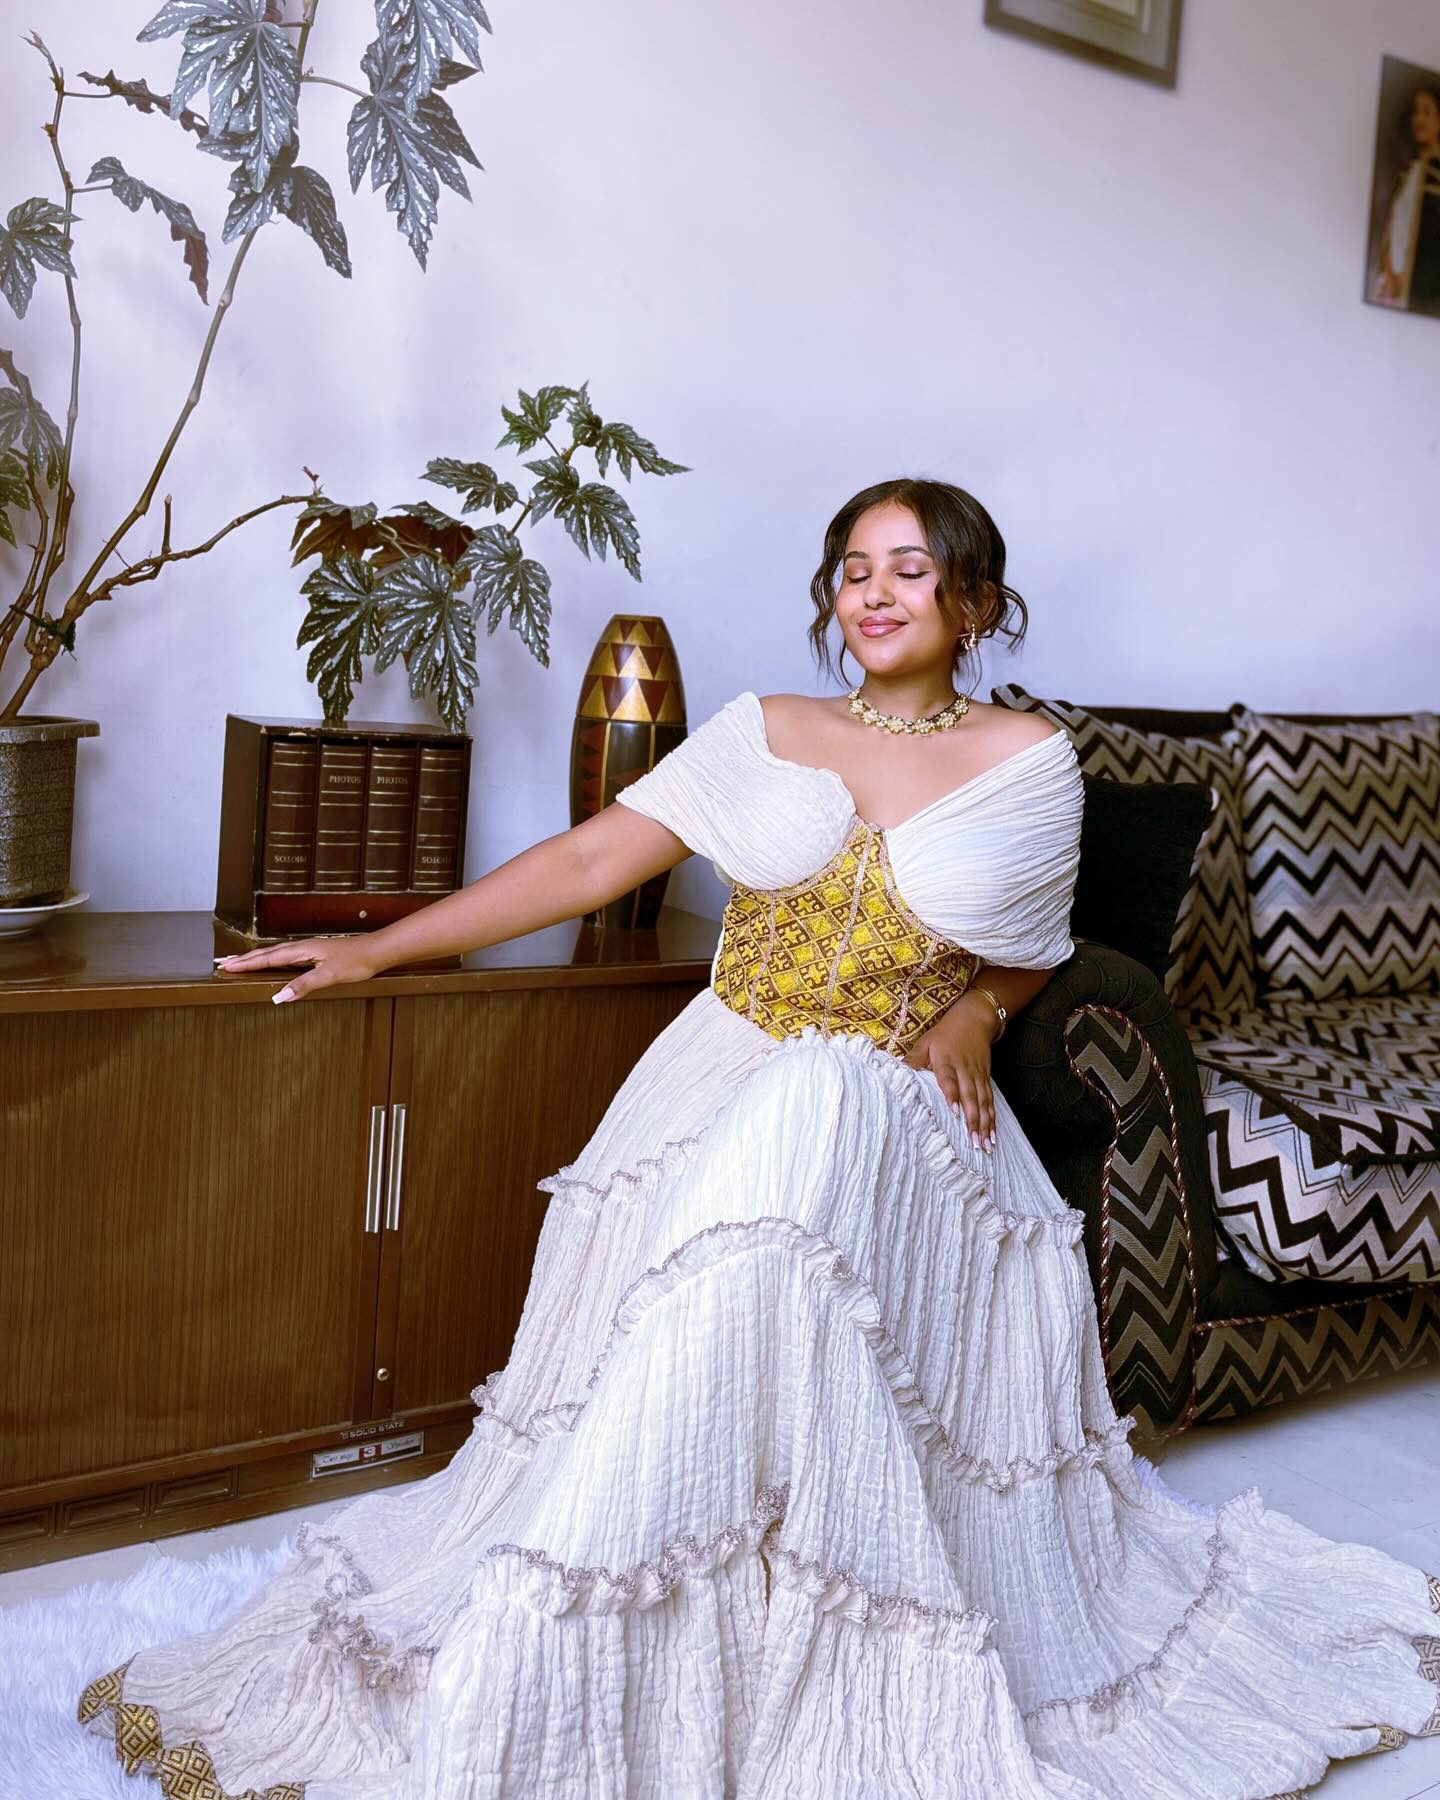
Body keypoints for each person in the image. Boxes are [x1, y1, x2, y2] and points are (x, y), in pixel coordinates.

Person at [15, 478, 1440, 1796]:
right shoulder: (766, 728)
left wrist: (977, 1015)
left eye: (910, 570)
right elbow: (591, 858)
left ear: (975, 602)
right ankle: (612, 1630)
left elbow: (1032, 944)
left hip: (901, 1111)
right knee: (788, 1122)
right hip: (729, 1073)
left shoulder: (1029, 759)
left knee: (826, 1106)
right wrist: (380, 948)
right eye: (853, 570)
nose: (874, 593)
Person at [1373, 83, 1440, 313]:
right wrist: (1389, 271)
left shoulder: (1436, 170)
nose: (1418, 118)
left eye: (1427, 112)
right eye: (1416, 112)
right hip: (1393, 283)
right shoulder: (1412, 168)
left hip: (1419, 289)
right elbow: (1396, 225)